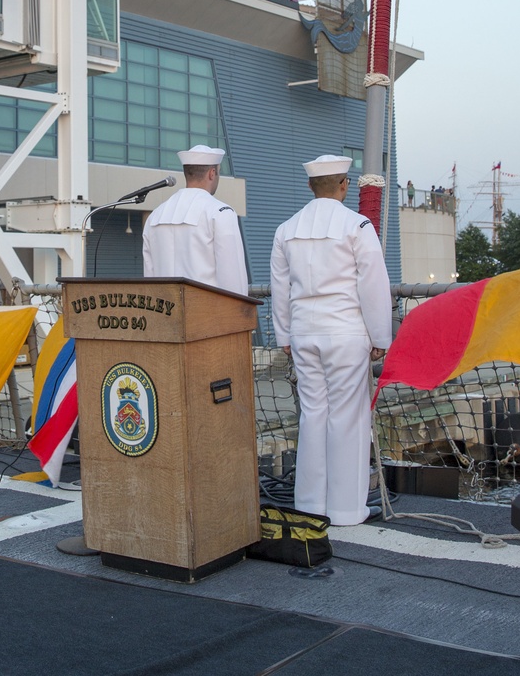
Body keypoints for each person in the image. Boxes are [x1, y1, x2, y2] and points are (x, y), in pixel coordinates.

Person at [270, 154, 392, 526]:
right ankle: (346, 510)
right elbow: (372, 284)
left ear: (310, 186)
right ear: (344, 185)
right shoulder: (357, 225)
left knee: (313, 416)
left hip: (304, 332)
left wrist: (284, 334)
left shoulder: (286, 229)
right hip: (345, 332)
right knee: (347, 419)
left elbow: (280, 288)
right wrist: (380, 335)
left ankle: (310, 505)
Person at [142, 144, 249, 295]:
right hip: (207, 314)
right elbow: (232, 280)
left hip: (165, 313)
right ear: (212, 173)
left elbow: (149, 278)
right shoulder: (220, 213)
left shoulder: (155, 215)